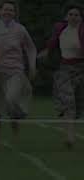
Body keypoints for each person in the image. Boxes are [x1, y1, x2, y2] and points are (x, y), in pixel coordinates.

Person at [0, 0, 37, 146]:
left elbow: (31, 48)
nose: (8, 12)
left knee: (12, 100)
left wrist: (32, 66)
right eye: (5, 9)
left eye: (11, 10)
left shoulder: (20, 29)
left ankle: (16, 130)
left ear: (15, 13)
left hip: (15, 71)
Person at [37, 3, 84, 148]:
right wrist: (45, 52)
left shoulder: (82, 30)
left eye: (76, 15)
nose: (73, 17)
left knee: (79, 103)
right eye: (71, 14)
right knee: (67, 101)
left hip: (81, 68)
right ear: (66, 16)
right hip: (64, 68)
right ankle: (69, 137)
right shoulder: (60, 28)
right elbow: (52, 43)